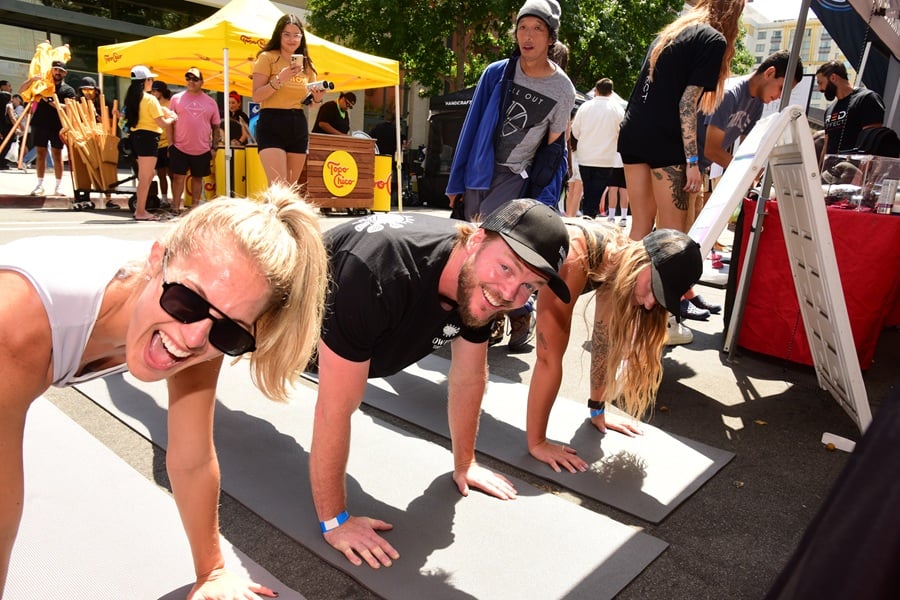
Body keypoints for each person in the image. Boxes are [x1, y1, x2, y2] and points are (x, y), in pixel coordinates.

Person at [0, 185, 329, 599]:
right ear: (156, 259)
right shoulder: (17, 320)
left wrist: (211, 571)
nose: (193, 339)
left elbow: (191, 458)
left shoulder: (196, 322)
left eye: (229, 332)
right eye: (186, 301)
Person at [310, 198, 571, 569]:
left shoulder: (475, 281)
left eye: (530, 286)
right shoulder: (381, 270)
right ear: (477, 240)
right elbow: (334, 408)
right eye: (506, 268)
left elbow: (468, 378)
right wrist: (335, 522)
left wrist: (466, 463)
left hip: (358, 333)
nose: (510, 294)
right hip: (281, 322)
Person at [525, 219, 703, 471]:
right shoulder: (576, 257)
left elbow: (603, 339)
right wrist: (538, 443)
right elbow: (547, 359)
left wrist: (597, 409)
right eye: (656, 289)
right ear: (643, 262)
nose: (651, 304)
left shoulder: (616, 263)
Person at [617, 0, 743, 340]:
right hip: (665, 140)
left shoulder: (671, 34)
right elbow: (687, 104)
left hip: (633, 132)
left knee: (640, 229)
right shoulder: (712, 39)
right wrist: (692, 161)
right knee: (672, 239)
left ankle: (625, 310)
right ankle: (661, 325)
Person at [446, 0, 575, 220]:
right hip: (479, 171)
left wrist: (543, 199)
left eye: (537, 28)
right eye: (522, 27)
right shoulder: (496, 73)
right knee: (468, 240)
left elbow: (553, 149)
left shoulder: (563, 89)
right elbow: (471, 127)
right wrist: (455, 182)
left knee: (490, 239)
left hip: (515, 177)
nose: (528, 36)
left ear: (551, 38)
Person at [251, 14, 328, 187]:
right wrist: (280, 79)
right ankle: (269, 214)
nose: (292, 39)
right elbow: (256, 96)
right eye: (286, 34)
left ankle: (280, 214)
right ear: (279, 35)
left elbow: (311, 104)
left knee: (290, 189)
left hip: (297, 123)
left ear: (302, 37)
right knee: (278, 186)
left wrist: (318, 98)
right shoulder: (267, 58)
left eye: (296, 34)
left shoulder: (307, 65)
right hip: (271, 122)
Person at [123, 65, 177, 221]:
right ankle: (140, 211)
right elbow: (162, 123)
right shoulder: (149, 99)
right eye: (150, 79)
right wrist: (173, 117)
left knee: (144, 176)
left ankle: (140, 210)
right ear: (145, 81)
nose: (152, 82)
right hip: (148, 139)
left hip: (136, 138)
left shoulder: (133, 97)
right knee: (146, 177)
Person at [18, 60, 76, 196]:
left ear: (65, 73)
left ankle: (58, 186)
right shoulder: (42, 85)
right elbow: (21, 92)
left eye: (60, 71)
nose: (57, 72)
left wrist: (52, 102)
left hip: (58, 126)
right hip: (40, 124)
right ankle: (39, 185)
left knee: (57, 155)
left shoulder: (68, 90)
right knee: (40, 154)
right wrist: (32, 79)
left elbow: (71, 107)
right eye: (55, 70)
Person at [168, 68, 221, 212]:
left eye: (195, 79)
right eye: (188, 78)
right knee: (178, 177)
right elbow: (169, 123)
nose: (191, 82)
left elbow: (216, 126)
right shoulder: (176, 98)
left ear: (202, 82)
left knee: (198, 178)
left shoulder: (211, 102)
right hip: (179, 146)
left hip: (202, 147)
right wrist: (170, 144)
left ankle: (194, 207)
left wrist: (214, 148)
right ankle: (175, 206)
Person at [571, 77, 625, 218]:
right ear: (611, 92)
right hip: (606, 158)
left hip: (586, 156)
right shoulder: (617, 109)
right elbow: (622, 133)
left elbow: (575, 131)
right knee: (597, 191)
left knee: (588, 190)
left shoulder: (585, 107)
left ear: (596, 90)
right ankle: (590, 215)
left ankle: (588, 214)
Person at [815, 59, 885, 156]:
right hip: (832, 169)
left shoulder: (866, 99)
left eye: (820, 83)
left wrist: (859, 171)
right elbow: (826, 148)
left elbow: (872, 143)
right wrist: (820, 170)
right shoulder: (829, 110)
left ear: (833, 77)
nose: (819, 89)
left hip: (855, 168)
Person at [149, 80, 173, 205]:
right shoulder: (152, 104)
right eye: (152, 90)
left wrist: (171, 143)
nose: (153, 93)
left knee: (172, 174)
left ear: (161, 91)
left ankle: (174, 198)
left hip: (168, 142)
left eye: (155, 90)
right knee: (161, 173)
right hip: (156, 142)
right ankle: (164, 198)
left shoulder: (171, 103)